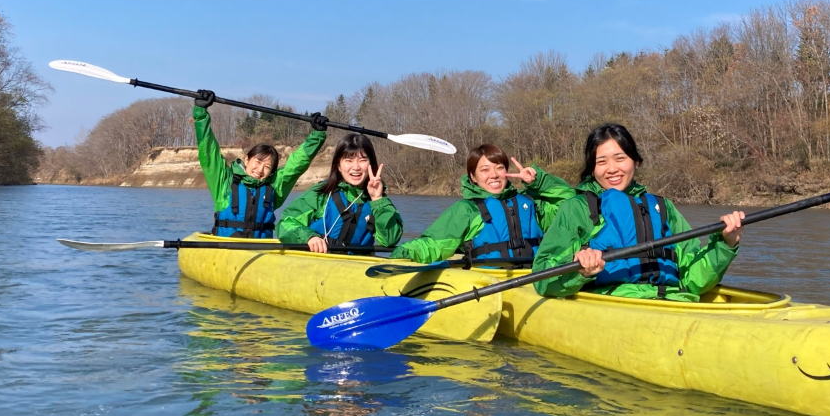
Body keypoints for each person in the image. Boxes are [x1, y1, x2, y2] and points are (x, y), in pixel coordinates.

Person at [531, 124, 745, 300]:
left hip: (672, 301)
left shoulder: (662, 207)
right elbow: (542, 279)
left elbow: (693, 280)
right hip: (612, 304)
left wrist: (725, 244)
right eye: (601, 162)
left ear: (636, 161)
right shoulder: (577, 208)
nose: (612, 169)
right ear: (592, 168)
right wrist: (577, 268)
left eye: (620, 158)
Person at [391, 143, 574, 266]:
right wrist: (404, 254)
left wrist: (539, 182)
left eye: (499, 168)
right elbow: (433, 245)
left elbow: (570, 203)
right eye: (484, 170)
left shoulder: (531, 203)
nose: (494, 175)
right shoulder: (467, 210)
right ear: (473, 177)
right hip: (488, 285)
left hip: (532, 280)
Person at [192, 90, 329, 239]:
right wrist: (201, 113)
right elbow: (208, 152)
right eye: (258, 162)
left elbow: (296, 166)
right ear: (246, 159)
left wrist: (316, 135)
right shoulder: (224, 182)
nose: (260, 170)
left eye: (268, 167)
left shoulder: (274, 188)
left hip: (260, 252)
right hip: (226, 251)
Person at [276, 133, 404, 253]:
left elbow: (390, 240)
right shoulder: (321, 193)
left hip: (355, 267)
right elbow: (285, 223)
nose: (356, 167)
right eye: (349, 160)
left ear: (371, 164)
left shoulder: (379, 201)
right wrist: (309, 237)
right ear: (338, 165)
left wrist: (377, 199)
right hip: (319, 262)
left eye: (362, 160)